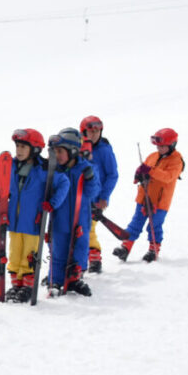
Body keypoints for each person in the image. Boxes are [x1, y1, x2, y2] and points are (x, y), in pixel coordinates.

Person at [4, 129, 68, 302]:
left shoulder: (43, 169)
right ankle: (16, 284)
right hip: (14, 219)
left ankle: (27, 285)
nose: (19, 150)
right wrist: (3, 196)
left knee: (29, 254)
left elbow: (64, 183)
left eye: (23, 146)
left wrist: (52, 203)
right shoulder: (12, 166)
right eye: (17, 146)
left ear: (35, 149)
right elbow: (8, 187)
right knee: (15, 252)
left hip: (33, 220)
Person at [113, 128, 184, 263]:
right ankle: (125, 247)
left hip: (160, 202)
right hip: (144, 198)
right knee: (136, 223)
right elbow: (143, 168)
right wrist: (139, 175)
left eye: (163, 146)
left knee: (154, 225)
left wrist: (150, 171)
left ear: (172, 145)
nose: (159, 148)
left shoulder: (176, 161)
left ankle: (153, 250)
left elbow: (168, 177)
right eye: (158, 146)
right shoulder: (153, 156)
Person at [47, 128, 101, 295]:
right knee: (58, 251)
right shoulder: (53, 170)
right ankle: (55, 280)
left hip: (80, 219)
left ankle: (74, 279)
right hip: (60, 220)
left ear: (73, 151)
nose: (57, 155)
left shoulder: (85, 168)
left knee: (80, 250)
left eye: (60, 151)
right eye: (55, 151)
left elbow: (93, 193)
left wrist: (90, 178)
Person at [80, 116, 118, 274]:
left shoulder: (104, 150)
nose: (94, 134)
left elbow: (112, 174)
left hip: (96, 199)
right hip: (79, 197)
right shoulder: (78, 147)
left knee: (88, 228)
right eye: (91, 131)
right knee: (80, 229)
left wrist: (104, 197)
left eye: (97, 131)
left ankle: (94, 258)